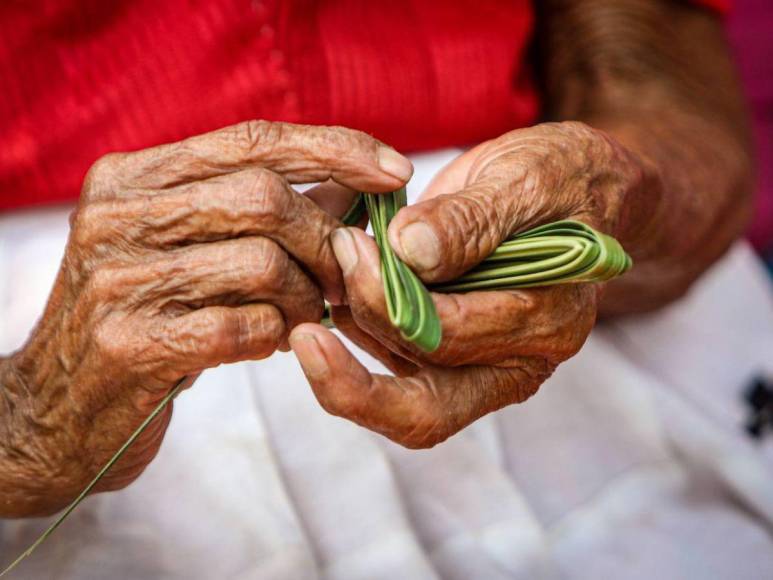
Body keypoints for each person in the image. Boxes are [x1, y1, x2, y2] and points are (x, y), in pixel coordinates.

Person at [1, 1, 772, 578]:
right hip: (75, 361)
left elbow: (655, 75)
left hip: (599, 374)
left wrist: (625, 200)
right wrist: (25, 424)